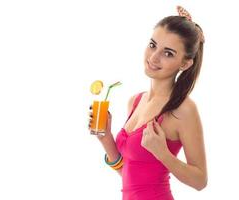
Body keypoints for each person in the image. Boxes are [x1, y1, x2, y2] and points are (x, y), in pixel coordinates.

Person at [88, 6, 207, 200]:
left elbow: (200, 181)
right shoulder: (135, 101)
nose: (153, 57)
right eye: (153, 45)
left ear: (185, 64)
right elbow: (130, 175)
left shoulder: (183, 109)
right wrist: (106, 137)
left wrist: (163, 153)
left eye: (168, 53)